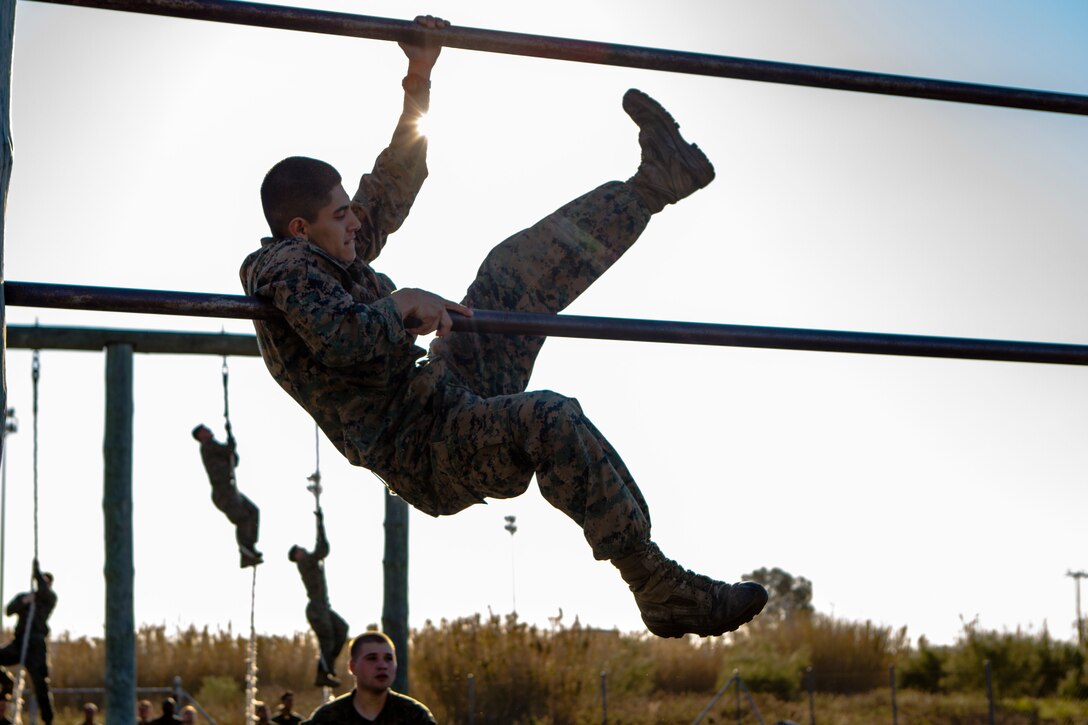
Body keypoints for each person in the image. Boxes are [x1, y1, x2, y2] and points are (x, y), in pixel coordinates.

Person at [240, 15, 768, 640]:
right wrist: (402, 303)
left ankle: (658, 181)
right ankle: (658, 586)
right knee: (549, 418)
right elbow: (341, 338)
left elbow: (388, 191)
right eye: (339, 215)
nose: (355, 222)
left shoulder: (335, 250)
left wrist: (419, 79)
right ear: (301, 229)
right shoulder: (285, 269)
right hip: (424, 448)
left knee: (507, 278)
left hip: (440, 388)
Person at [302, 632, 434, 724]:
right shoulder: (328, 718)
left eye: (388, 659)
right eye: (372, 658)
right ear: (352, 667)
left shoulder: (414, 716)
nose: (382, 666)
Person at [289, 511, 349, 687]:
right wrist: (319, 524)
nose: (303, 549)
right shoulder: (305, 563)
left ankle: (327, 668)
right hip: (316, 608)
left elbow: (322, 549)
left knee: (341, 629)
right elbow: (322, 549)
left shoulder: (309, 561)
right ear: (297, 556)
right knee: (327, 638)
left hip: (323, 607)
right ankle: (323, 673)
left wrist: (320, 524)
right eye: (299, 550)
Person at [191, 424, 264, 567]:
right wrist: (231, 442)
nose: (208, 430)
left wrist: (231, 446)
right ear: (200, 436)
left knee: (253, 512)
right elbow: (227, 451)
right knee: (242, 518)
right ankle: (246, 552)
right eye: (204, 430)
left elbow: (233, 460)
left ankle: (250, 547)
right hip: (222, 492)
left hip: (230, 490)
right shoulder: (207, 446)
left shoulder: (213, 446)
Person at [0, 559, 57, 724]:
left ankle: (48, 719)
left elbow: (44, 590)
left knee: (40, 684)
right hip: (19, 642)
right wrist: (24, 601)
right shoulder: (26, 598)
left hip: (36, 646)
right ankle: (7, 684)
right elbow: (9, 610)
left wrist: (36, 570)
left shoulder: (49, 599)